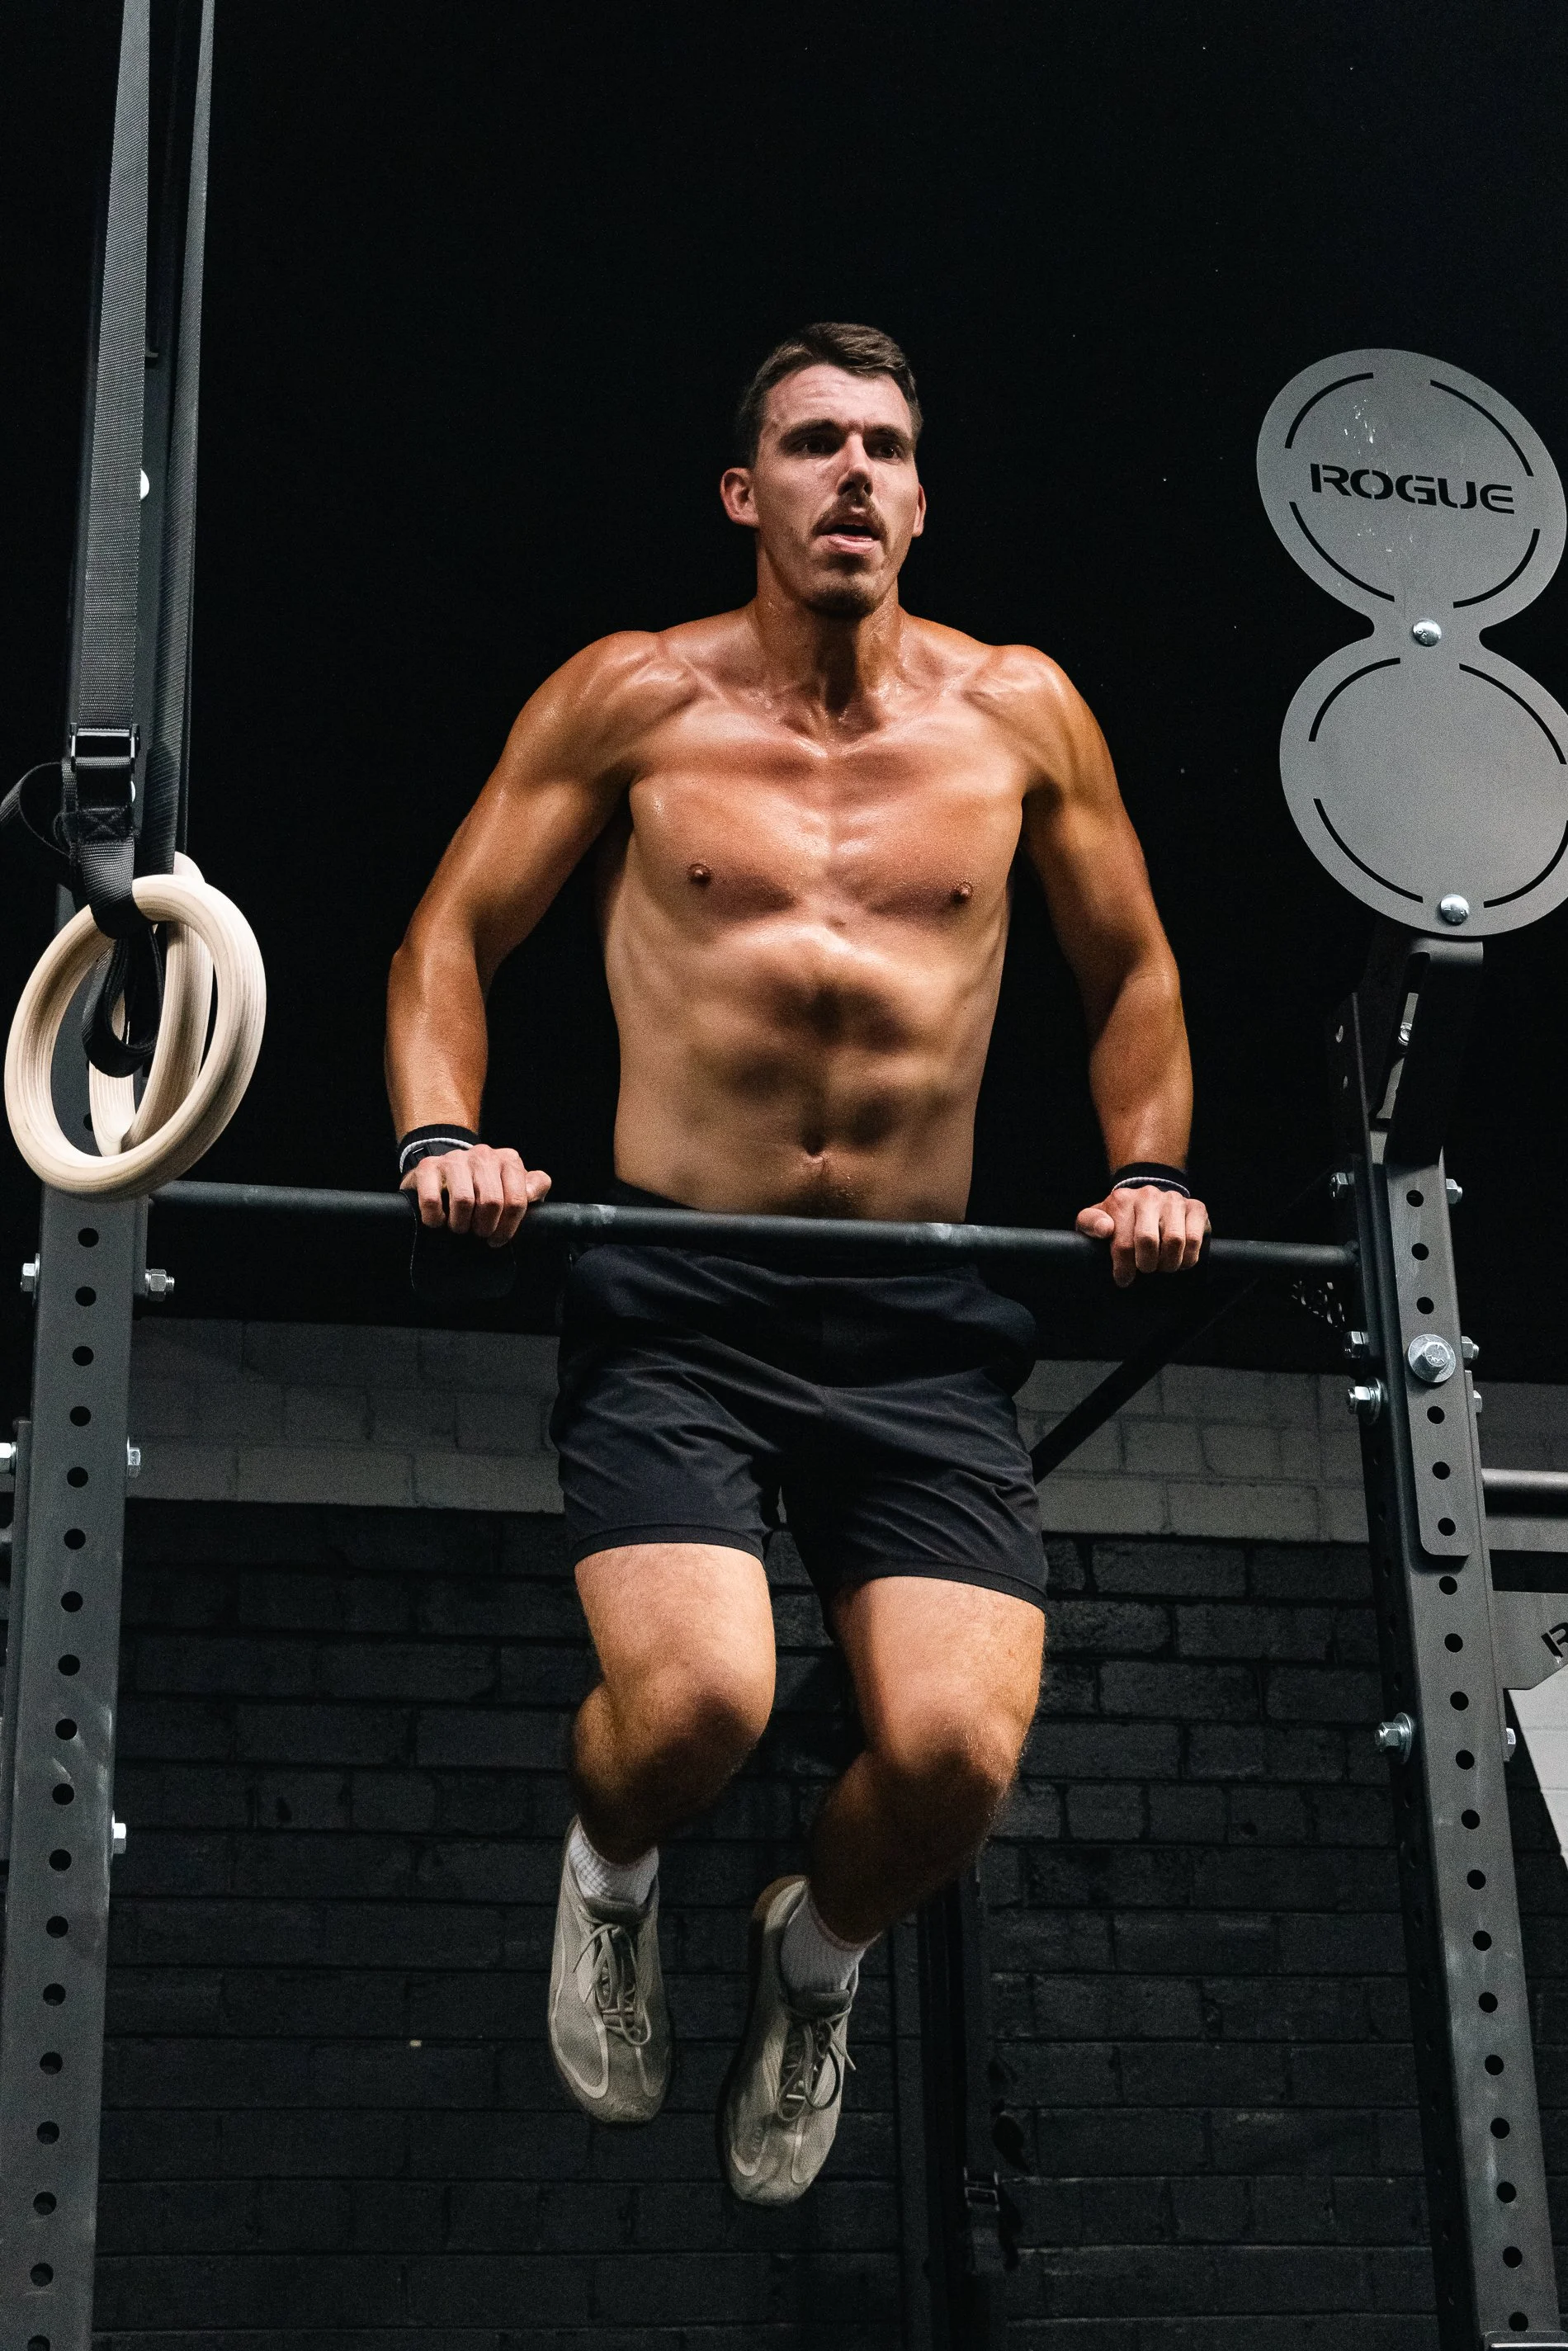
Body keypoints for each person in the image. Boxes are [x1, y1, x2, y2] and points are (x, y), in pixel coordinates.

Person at [385, 322, 1208, 2206]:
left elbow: (1134, 971)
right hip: (678, 1290)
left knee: (951, 1760)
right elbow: (450, 933)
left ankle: (807, 1958)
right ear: (741, 491)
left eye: (888, 446)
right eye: (815, 442)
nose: (855, 472)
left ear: (921, 497)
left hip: (919, 1317)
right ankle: (608, 1877)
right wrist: (445, 1135)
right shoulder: (631, 697)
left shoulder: (1018, 714)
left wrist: (1146, 1165)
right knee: (695, 1708)